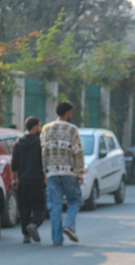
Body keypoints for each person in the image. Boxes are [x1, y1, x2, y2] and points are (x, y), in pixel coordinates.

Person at [42, 101, 85, 245]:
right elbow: (77, 152)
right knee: (74, 201)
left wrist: (45, 172)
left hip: (52, 172)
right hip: (69, 172)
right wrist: (80, 173)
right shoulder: (72, 129)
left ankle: (56, 239)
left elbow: (43, 153)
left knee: (55, 206)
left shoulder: (46, 129)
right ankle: (69, 226)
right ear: (67, 113)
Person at [11, 116, 46, 244]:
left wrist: (14, 180)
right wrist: (45, 176)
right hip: (36, 180)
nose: (40, 128)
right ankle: (34, 223)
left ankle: (26, 235)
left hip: (22, 180)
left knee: (24, 207)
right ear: (36, 127)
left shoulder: (18, 143)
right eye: (40, 126)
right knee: (40, 206)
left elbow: (14, 164)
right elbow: (43, 162)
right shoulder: (39, 143)